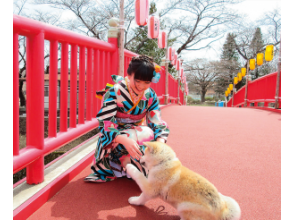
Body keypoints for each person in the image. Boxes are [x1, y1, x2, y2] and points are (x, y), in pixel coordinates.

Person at [84, 55, 170, 183]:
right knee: (127, 138)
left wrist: (160, 144)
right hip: (115, 135)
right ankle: (115, 163)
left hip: (137, 133)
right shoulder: (114, 92)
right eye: (138, 80)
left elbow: (155, 120)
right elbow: (105, 121)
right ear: (129, 75)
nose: (141, 86)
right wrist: (124, 140)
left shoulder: (150, 95)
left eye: (146, 82)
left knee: (148, 134)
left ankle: (136, 166)